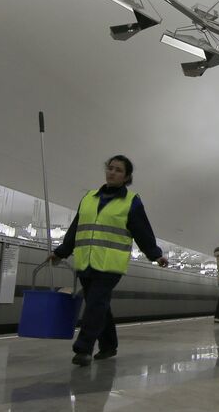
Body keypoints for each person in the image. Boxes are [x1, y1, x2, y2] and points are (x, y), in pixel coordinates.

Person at [49, 154, 167, 366]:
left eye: (118, 170)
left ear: (126, 177)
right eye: (110, 168)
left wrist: (155, 254)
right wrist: (61, 252)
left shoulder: (131, 202)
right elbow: (76, 229)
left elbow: (142, 230)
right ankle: (109, 345)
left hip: (110, 264)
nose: (112, 172)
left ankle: (83, 348)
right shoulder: (88, 198)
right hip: (85, 261)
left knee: (95, 303)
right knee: (100, 305)